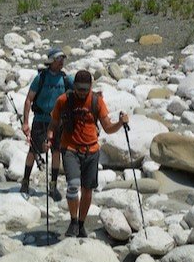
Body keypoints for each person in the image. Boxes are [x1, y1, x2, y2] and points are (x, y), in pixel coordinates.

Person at [48, 69, 129, 238]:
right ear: (74, 86)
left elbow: (107, 128)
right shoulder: (63, 100)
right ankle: (73, 221)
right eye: (79, 89)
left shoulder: (96, 101)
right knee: (73, 185)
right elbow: (54, 123)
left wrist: (121, 123)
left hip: (92, 150)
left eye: (85, 89)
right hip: (70, 148)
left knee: (87, 189)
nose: (82, 92)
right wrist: (49, 136)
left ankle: (81, 224)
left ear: (91, 86)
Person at [21, 47, 71, 199]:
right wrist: (25, 122)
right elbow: (29, 100)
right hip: (40, 120)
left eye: (63, 58)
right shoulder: (41, 78)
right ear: (51, 61)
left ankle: (53, 185)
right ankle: (25, 182)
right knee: (34, 151)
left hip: (57, 122)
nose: (62, 61)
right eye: (58, 59)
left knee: (56, 151)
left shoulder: (65, 78)